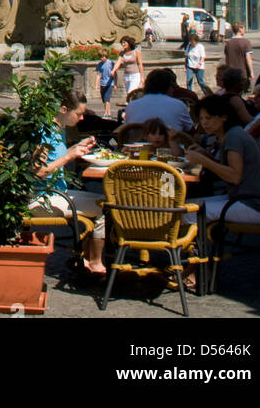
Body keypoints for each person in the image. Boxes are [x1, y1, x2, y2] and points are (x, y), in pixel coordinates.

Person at [30, 90, 105, 275]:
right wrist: (70, 155)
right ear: (64, 109)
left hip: (57, 193)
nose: (81, 119)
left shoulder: (58, 128)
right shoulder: (45, 132)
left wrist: (76, 148)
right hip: (43, 197)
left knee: (103, 199)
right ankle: (95, 262)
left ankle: (87, 258)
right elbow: (38, 172)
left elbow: (57, 157)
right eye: (78, 114)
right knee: (106, 206)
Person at [187, 95, 260, 231]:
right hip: (245, 199)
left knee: (187, 212)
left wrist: (203, 161)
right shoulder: (231, 135)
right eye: (201, 119)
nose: (204, 123)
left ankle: (193, 249)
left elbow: (234, 176)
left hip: (254, 204)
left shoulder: (233, 137)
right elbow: (229, 170)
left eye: (208, 118)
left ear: (223, 117)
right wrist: (206, 155)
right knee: (188, 205)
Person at [120, 68, 194, 134]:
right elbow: (190, 129)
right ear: (168, 87)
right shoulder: (178, 105)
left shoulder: (132, 106)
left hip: (136, 148)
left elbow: (126, 129)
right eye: (172, 86)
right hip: (170, 147)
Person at [185, 30, 207, 95]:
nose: (191, 43)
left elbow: (203, 57)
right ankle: (190, 95)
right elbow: (186, 56)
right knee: (188, 81)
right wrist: (185, 66)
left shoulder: (200, 47)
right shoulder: (189, 46)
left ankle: (207, 93)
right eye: (190, 41)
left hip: (199, 67)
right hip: (190, 66)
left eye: (193, 42)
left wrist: (199, 64)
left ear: (196, 41)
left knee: (200, 82)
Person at [95, 48, 115, 118]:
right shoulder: (100, 64)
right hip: (102, 83)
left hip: (109, 83)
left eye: (103, 56)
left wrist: (115, 83)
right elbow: (98, 75)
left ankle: (107, 113)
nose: (102, 58)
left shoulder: (110, 63)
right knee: (104, 99)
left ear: (106, 56)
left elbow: (115, 74)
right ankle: (107, 111)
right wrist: (97, 85)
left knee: (107, 99)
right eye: (101, 57)